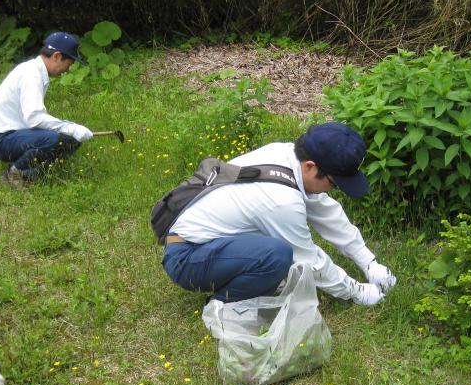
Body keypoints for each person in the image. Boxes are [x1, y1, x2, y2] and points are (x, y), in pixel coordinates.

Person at [162, 122, 397, 306]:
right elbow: (310, 262)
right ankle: (224, 304)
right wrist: (357, 291)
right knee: (278, 256)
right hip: (186, 258)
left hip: (202, 241)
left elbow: (326, 212)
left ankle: (245, 278)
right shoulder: (281, 201)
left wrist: (369, 263)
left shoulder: (285, 154)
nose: (334, 191)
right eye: (334, 184)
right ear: (310, 167)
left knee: (276, 253)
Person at [0, 32, 94, 186]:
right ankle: (15, 174)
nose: (67, 70)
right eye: (68, 64)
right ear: (56, 56)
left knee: (70, 140)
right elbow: (34, 118)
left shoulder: (35, 71)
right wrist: (69, 127)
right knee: (54, 139)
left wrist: (70, 130)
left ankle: (33, 175)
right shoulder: (32, 75)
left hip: (16, 135)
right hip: (3, 139)